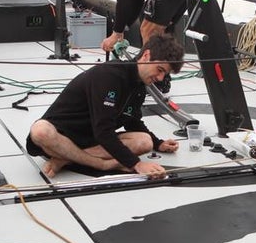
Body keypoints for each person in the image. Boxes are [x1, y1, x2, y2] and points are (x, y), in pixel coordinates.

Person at [27, 33, 185, 178]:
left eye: (165, 74)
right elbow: (103, 131)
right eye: (159, 70)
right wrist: (136, 164)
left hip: (90, 140)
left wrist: (158, 143)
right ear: (146, 55)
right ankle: (102, 164)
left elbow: (132, 121)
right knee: (40, 131)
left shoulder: (138, 87)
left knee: (145, 142)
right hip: (62, 137)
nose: (160, 78)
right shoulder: (110, 75)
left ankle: (63, 160)